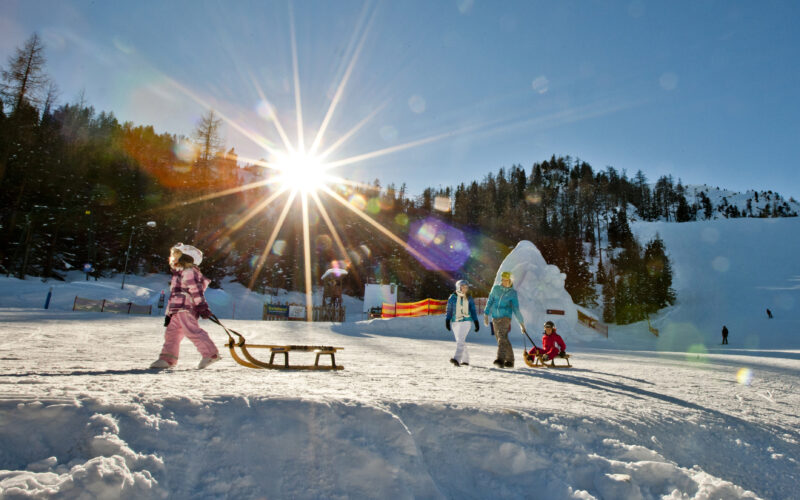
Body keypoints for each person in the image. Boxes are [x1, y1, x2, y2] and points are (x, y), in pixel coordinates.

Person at [150, 243, 220, 369]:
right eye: (174, 256)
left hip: (186, 308)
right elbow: (173, 296)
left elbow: (196, 290)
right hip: (177, 309)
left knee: (191, 330)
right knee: (172, 334)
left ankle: (211, 354)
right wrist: (168, 314)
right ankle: (167, 359)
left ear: (187, 258)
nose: (174, 259)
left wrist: (202, 307)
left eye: (177, 256)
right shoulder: (179, 273)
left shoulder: (189, 272)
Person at [484, 271, 526, 368]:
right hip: (495, 317)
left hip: (505, 318)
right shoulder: (496, 289)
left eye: (507, 280)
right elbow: (490, 300)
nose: (504, 282)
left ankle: (500, 359)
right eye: (503, 280)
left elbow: (516, 308)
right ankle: (510, 360)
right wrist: (486, 314)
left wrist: (521, 323)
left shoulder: (512, 293)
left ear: (510, 281)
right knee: (502, 339)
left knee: (502, 338)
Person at [445, 279, 480, 367]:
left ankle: (457, 359)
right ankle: (466, 360)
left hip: (466, 321)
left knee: (460, 340)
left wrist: (476, 321)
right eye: (463, 287)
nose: (465, 289)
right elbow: (449, 309)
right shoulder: (452, 297)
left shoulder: (469, 298)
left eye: (466, 287)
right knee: (460, 341)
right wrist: (447, 320)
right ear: (458, 287)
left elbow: (473, 310)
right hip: (455, 321)